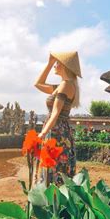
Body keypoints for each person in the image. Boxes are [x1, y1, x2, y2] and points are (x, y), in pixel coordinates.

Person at [35, 51, 81, 183]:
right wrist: (49, 64)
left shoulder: (66, 85)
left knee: (56, 170)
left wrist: (42, 133)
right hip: (56, 129)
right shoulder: (62, 85)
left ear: (64, 66)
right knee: (53, 169)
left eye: (57, 63)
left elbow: (55, 112)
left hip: (57, 132)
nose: (55, 65)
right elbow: (38, 84)